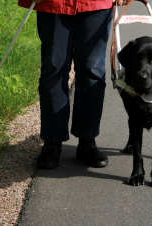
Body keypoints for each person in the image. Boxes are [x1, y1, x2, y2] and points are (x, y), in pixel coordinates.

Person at [18, 0, 124, 169]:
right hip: (53, 5)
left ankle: (87, 141)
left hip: (96, 5)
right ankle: (52, 142)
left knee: (93, 71)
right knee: (54, 69)